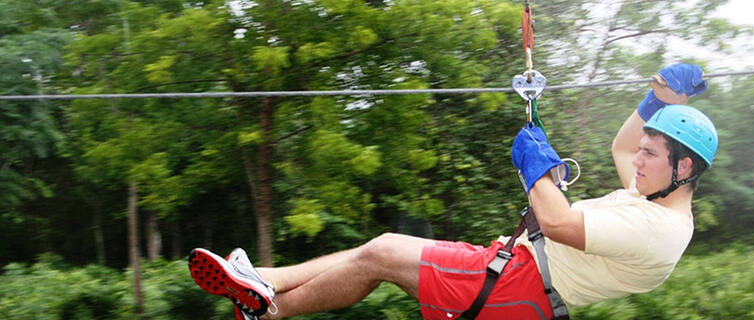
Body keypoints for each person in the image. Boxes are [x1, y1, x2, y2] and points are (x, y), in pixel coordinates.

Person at [188, 63, 718, 320]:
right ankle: (260, 281)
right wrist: (657, 98)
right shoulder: (652, 190)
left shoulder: (658, 228)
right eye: (645, 152)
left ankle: (268, 309)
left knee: (383, 252)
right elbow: (625, 146)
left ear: (684, 167)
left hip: (523, 286)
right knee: (375, 250)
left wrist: (535, 168)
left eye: (653, 154)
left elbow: (555, 223)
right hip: (515, 270)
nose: (637, 160)